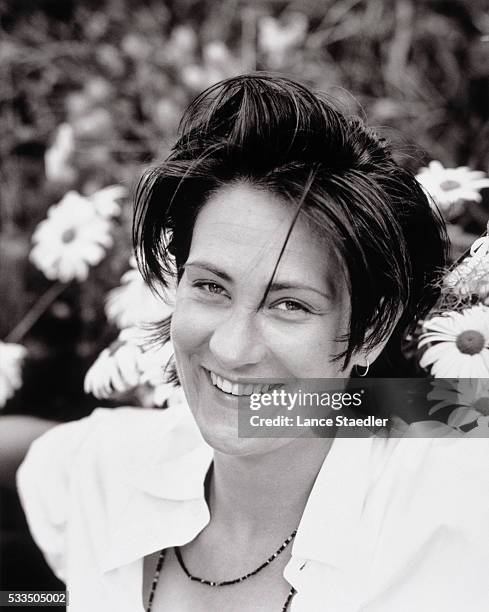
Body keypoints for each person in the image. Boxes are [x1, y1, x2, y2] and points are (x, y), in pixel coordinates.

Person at [16, 75, 489, 611]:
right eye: (211, 286)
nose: (231, 348)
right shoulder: (107, 469)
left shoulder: (453, 518)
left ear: (373, 329)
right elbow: (36, 458)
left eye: (289, 304)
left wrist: (388, 405)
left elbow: (472, 411)